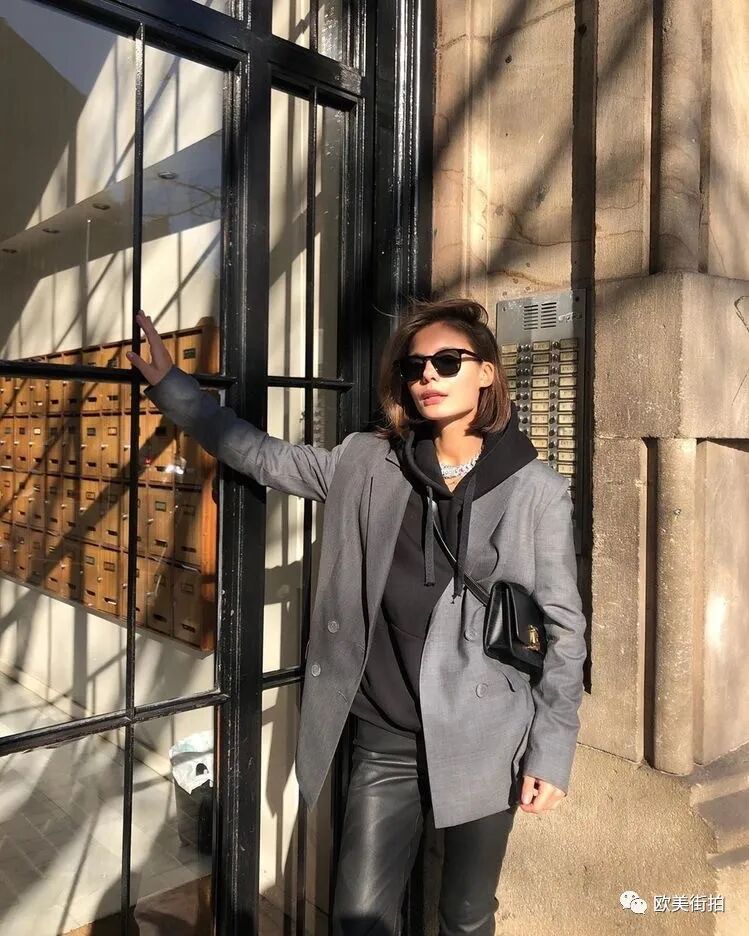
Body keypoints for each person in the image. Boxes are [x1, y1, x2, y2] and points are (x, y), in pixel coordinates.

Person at [128, 298, 587, 936]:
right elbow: (264, 456)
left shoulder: (535, 489)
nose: (427, 376)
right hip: (385, 734)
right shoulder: (368, 462)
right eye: (415, 366)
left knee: (465, 914)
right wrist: (175, 390)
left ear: (486, 372)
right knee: (358, 916)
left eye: (447, 362)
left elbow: (565, 630)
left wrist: (551, 750)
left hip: (485, 734)